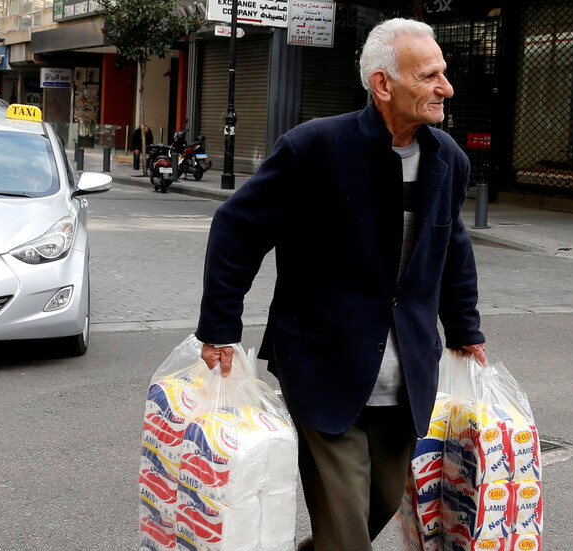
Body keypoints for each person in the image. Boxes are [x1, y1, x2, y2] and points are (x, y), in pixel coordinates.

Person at [194, 17, 487, 551]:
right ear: (383, 84)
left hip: (406, 376)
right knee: (348, 530)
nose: (445, 87)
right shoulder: (314, 149)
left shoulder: (448, 159)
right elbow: (237, 228)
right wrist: (219, 327)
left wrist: (465, 327)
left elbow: (452, 246)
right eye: (429, 76)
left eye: (442, 73)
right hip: (322, 366)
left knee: (378, 504)